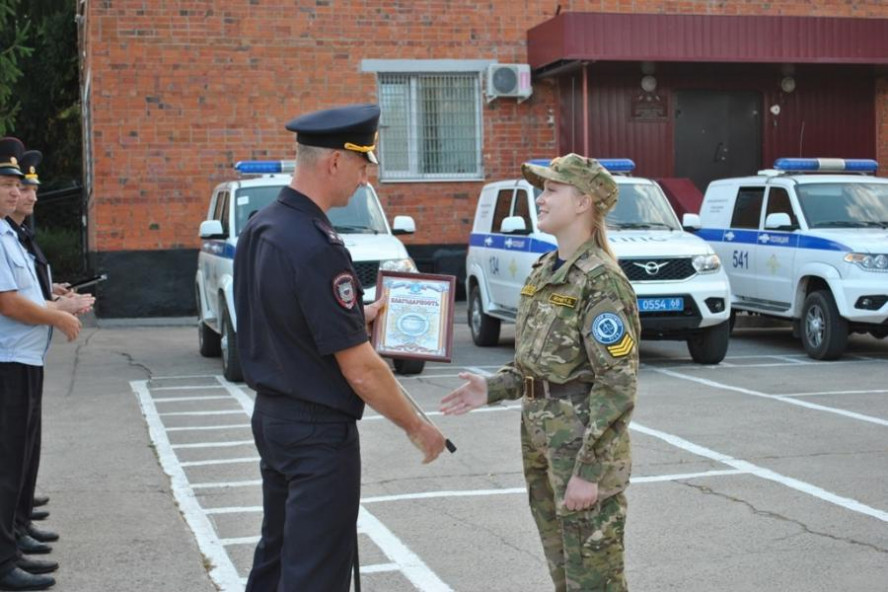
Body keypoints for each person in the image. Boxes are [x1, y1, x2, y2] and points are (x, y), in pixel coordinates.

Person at [233, 104, 446, 592]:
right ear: (333, 162)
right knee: (315, 574)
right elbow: (363, 371)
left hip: (275, 417)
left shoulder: (263, 225)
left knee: (278, 557)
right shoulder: (316, 245)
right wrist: (418, 427)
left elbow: (281, 317)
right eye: (362, 163)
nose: (365, 177)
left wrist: (357, 317)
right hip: (316, 432)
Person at [441, 154, 640, 591]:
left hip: (581, 450)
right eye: (542, 189)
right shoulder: (544, 271)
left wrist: (588, 471)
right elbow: (536, 364)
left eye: (552, 190)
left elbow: (617, 383)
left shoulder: (601, 281)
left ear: (584, 202)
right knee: (564, 573)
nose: (541, 199)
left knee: (595, 582)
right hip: (540, 442)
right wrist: (490, 389)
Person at [0, 138, 92, 591]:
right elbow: (9, 302)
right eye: (8, 185)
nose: (18, 194)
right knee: (7, 462)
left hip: (22, 355)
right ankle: (4, 561)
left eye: (19, 186)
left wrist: (58, 302)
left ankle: (13, 539)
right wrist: (56, 314)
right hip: (8, 358)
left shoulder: (8, 234)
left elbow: (25, 292)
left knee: (20, 454)